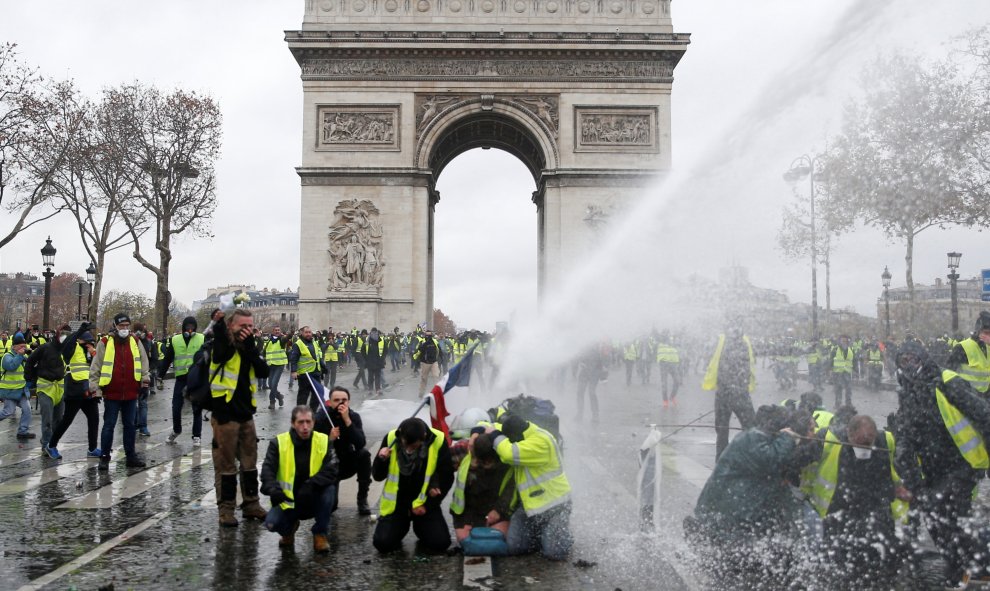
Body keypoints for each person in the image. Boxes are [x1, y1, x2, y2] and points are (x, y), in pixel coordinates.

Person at [892, 341, 990, 587]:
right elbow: (904, 442)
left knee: (951, 513)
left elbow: (983, 414)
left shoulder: (947, 382)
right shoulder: (907, 393)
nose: (908, 366)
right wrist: (915, 485)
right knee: (935, 518)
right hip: (932, 470)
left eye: (912, 359)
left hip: (962, 464)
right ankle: (960, 566)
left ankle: (976, 567)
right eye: (903, 361)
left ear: (923, 358)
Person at [687, 405, 809, 588]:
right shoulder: (753, 439)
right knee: (732, 570)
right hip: (727, 518)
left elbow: (780, 492)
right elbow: (772, 459)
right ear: (781, 429)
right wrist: (789, 437)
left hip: (739, 516)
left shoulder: (765, 441)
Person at [804, 414, 911, 586]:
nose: (865, 448)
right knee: (839, 560)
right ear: (849, 435)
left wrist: (898, 486)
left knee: (881, 555)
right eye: (860, 443)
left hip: (874, 507)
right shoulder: (831, 439)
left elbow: (891, 468)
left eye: (869, 443)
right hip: (839, 509)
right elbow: (800, 459)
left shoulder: (885, 442)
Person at [208, 308, 270, 526]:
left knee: (250, 463)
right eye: (242, 326)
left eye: (250, 326)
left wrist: (251, 347)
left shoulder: (250, 346)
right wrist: (220, 327)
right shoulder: (222, 343)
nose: (247, 330)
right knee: (226, 466)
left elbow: (263, 372)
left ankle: (251, 504)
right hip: (225, 414)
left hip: (246, 413)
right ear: (231, 326)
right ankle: (226, 509)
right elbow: (221, 356)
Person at [488, 413, 572, 560]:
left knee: (554, 553)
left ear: (518, 436)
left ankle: (562, 535)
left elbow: (508, 453)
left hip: (555, 506)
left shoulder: (541, 442)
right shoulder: (521, 430)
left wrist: (495, 436)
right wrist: (479, 431)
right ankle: (543, 533)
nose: (511, 443)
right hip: (530, 508)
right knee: (515, 547)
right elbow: (493, 427)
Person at [261, 405, 338, 552]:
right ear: (292, 423)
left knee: (329, 490)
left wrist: (311, 485)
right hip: (287, 500)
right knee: (271, 523)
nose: (305, 426)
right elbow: (267, 470)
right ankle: (288, 530)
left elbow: (332, 469)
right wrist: (273, 489)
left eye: (308, 422)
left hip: (313, 496)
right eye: (300, 422)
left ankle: (320, 533)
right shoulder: (278, 443)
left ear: (314, 423)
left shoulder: (324, 441)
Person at [372, 417, 454, 553]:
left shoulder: (438, 439)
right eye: (406, 445)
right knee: (383, 544)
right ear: (401, 435)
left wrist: (428, 505)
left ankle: (420, 526)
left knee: (440, 543)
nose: (409, 450)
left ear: (424, 437)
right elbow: (377, 476)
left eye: (414, 446)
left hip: (424, 501)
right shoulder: (392, 437)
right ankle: (401, 526)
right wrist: (381, 460)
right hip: (397, 504)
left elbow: (447, 476)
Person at [89, 313, 150, 470]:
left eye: (126, 326)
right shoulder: (104, 342)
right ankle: (104, 457)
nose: (124, 329)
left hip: (131, 392)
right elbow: (96, 366)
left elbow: (143, 363)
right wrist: (95, 389)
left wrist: (145, 383)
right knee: (109, 425)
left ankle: (131, 456)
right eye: (121, 326)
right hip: (112, 392)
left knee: (130, 425)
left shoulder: (135, 342)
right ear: (115, 326)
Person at [702, 325, 758, 460]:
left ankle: (721, 460)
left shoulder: (720, 340)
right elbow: (748, 364)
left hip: (724, 392)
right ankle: (750, 457)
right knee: (750, 427)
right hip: (739, 392)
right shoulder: (745, 342)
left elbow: (708, 357)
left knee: (722, 430)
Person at [314, 385, 372, 515]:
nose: (341, 403)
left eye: (344, 400)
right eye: (336, 400)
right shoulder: (322, 417)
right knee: (331, 507)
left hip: (347, 461)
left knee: (364, 454)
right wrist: (329, 440)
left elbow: (360, 443)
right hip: (328, 464)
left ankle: (362, 499)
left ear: (348, 401)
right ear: (330, 402)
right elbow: (313, 448)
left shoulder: (353, 416)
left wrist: (347, 421)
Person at [25, 324, 80, 459]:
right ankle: (46, 446)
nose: (64, 337)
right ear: (57, 335)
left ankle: (49, 441)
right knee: (47, 419)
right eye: (62, 334)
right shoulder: (45, 348)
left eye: (67, 335)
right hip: (45, 387)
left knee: (59, 420)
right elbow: (30, 361)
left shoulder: (68, 350)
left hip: (60, 388)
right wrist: (31, 377)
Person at [450, 432, 515, 545]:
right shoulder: (463, 450)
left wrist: (498, 510)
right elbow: (440, 464)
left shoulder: (508, 458)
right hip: (468, 510)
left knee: (496, 541)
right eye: (483, 462)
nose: (486, 464)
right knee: (465, 541)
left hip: (495, 508)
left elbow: (511, 491)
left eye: (489, 462)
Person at [48, 328, 102, 457]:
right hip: (74, 389)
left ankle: (92, 448)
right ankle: (51, 446)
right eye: (87, 342)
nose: (89, 345)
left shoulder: (90, 352)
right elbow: (67, 345)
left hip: (88, 390)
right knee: (67, 420)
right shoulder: (73, 347)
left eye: (91, 343)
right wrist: (78, 333)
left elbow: (98, 366)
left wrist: (93, 353)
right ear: (79, 340)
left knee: (94, 418)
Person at [158, 316, 205, 446]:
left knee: (197, 408)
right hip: (181, 378)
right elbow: (167, 359)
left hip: (196, 378)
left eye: (192, 327)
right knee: (176, 407)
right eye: (187, 327)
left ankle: (197, 435)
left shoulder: (201, 338)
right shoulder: (175, 340)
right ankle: (176, 430)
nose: (190, 329)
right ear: (183, 327)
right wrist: (160, 375)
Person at [946, 310, 990, 398]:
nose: (988, 336)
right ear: (978, 331)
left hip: (984, 399)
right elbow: (948, 373)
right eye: (986, 333)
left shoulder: (988, 348)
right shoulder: (962, 348)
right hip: (966, 399)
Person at [0, 333, 34, 440]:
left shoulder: (23, 356)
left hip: (21, 390)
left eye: (24, 346)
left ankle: (22, 432)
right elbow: (11, 366)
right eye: (21, 346)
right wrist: (20, 355)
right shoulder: (7, 356)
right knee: (8, 412)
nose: (23, 348)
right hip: (10, 391)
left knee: (27, 409)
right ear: (14, 346)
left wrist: (32, 355)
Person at [289, 326, 324, 410]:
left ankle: (312, 413)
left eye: (309, 332)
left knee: (317, 395)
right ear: (302, 333)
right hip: (305, 375)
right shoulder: (298, 344)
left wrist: (323, 367)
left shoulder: (314, 342)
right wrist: (293, 371)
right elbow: (294, 359)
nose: (308, 334)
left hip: (315, 373)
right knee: (303, 396)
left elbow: (318, 357)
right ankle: (300, 414)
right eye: (306, 332)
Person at [575, 344, 606, 422]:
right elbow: (579, 358)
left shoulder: (595, 349)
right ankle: (580, 414)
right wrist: (581, 362)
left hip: (594, 373)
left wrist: (602, 377)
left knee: (591, 393)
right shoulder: (583, 348)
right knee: (580, 393)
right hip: (585, 372)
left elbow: (600, 363)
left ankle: (595, 415)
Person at [264, 326, 290, 409]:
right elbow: (265, 351)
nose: (277, 331)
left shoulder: (281, 340)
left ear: (280, 331)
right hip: (271, 365)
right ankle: (279, 396)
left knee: (274, 384)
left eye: (278, 330)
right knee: (270, 385)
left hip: (279, 365)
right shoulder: (269, 340)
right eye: (275, 330)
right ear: (273, 331)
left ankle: (272, 402)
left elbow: (286, 339)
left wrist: (290, 334)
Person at [413, 329, 442, 397]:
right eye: (427, 335)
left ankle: (438, 393)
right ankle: (421, 393)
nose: (428, 336)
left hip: (434, 362)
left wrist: (441, 359)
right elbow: (418, 350)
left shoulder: (435, 341)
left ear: (432, 335)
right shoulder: (422, 341)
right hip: (425, 363)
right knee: (424, 379)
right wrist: (425, 343)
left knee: (436, 376)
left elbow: (439, 350)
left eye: (429, 335)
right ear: (425, 335)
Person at [655, 334, 681, 408]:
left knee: (677, 381)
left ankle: (672, 397)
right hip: (664, 364)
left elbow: (676, 353)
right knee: (664, 384)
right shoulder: (660, 344)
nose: (670, 340)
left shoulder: (673, 345)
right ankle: (665, 400)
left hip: (673, 364)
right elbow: (654, 337)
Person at [829, 335, 854, 408]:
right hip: (837, 372)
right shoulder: (835, 349)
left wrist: (855, 370)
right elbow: (831, 360)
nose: (844, 342)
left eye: (845, 341)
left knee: (848, 389)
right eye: (842, 341)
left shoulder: (850, 349)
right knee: (838, 389)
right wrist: (830, 369)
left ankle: (848, 403)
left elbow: (853, 360)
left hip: (847, 372)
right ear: (839, 341)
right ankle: (838, 403)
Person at [364, 327, 386, 398]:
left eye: (375, 333)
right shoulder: (367, 340)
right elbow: (363, 350)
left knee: (377, 376)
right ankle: (370, 389)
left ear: (377, 333)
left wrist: (382, 358)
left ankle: (378, 389)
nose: (374, 334)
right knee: (370, 376)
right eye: (372, 333)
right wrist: (366, 359)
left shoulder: (381, 340)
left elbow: (385, 350)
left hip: (378, 361)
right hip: (370, 362)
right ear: (371, 333)